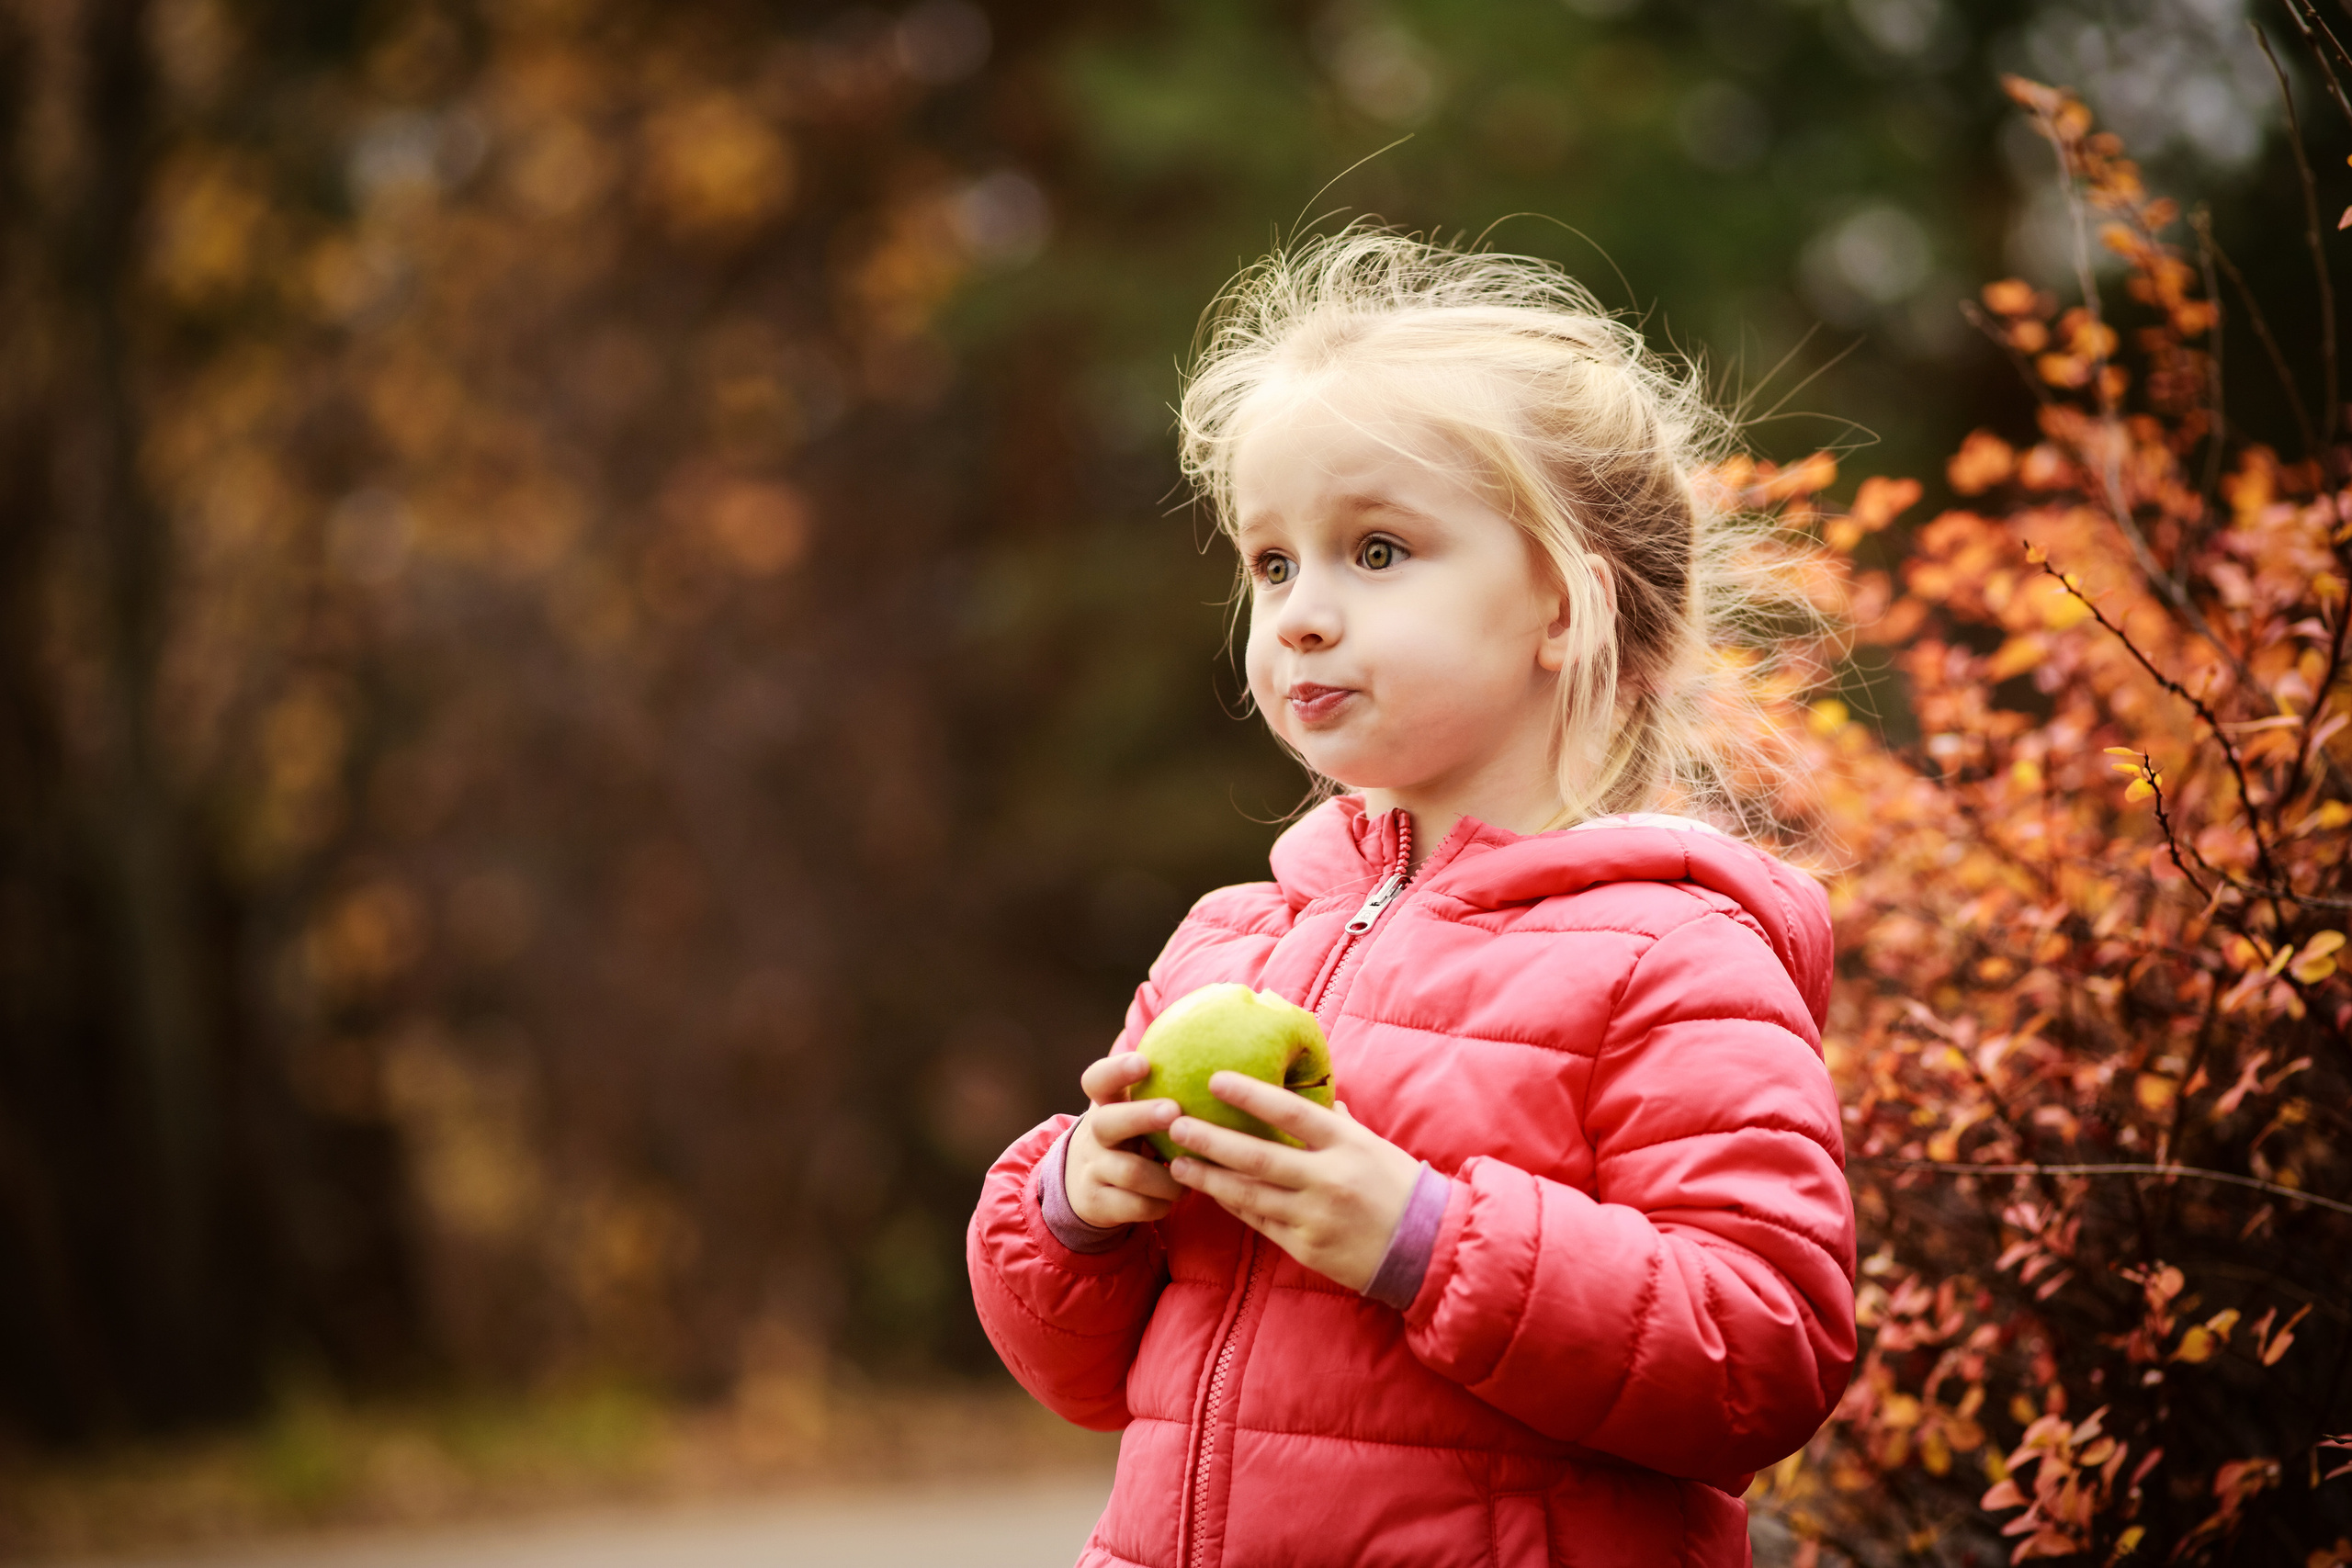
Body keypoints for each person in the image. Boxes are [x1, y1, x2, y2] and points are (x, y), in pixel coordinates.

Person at [966, 229, 1856, 1568]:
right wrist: (1080, 1204)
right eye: (1273, 564)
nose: (1302, 614)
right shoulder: (1232, 946)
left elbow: (1762, 1352)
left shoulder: (1672, 954)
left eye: (1376, 551)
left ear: (1564, 606)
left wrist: (1425, 1240)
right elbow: (1084, 1381)